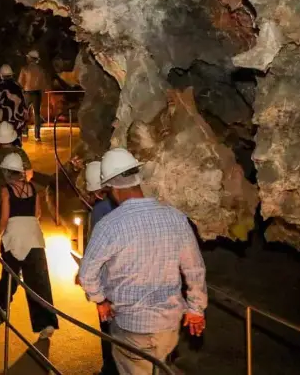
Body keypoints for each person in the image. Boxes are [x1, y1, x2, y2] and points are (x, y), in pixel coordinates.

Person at [78, 148, 207, 375]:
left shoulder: (109, 225)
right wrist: (196, 309)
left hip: (131, 328)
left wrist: (100, 300)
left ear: (111, 187)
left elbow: (87, 274)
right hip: (168, 327)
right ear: (137, 178)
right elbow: (194, 268)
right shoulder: (175, 217)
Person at [0, 152, 58, 340]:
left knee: (10, 274)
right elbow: (37, 213)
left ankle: (3, 306)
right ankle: (46, 323)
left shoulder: (6, 191)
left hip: (14, 237)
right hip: (33, 237)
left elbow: (4, 218)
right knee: (39, 281)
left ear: (7, 172)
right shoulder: (32, 188)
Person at [81, 160, 117, 375]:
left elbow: (95, 249)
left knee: (108, 328)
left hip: (110, 279)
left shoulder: (100, 209)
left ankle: (110, 370)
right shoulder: (123, 203)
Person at [0, 122, 32, 262]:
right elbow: (29, 174)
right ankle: (15, 256)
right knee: (14, 226)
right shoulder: (20, 153)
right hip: (17, 196)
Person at [0, 64, 27, 146]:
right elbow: (24, 106)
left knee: (5, 146)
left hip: (5, 123)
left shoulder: (0, 87)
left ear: (1, 75)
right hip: (18, 123)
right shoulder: (18, 87)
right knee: (17, 147)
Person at [18, 49, 48, 142]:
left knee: (25, 112)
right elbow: (44, 84)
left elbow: (20, 82)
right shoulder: (41, 70)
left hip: (27, 93)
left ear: (30, 59)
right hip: (37, 93)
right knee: (37, 115)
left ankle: (25, 131)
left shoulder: (25, 69)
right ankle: (37, 135)